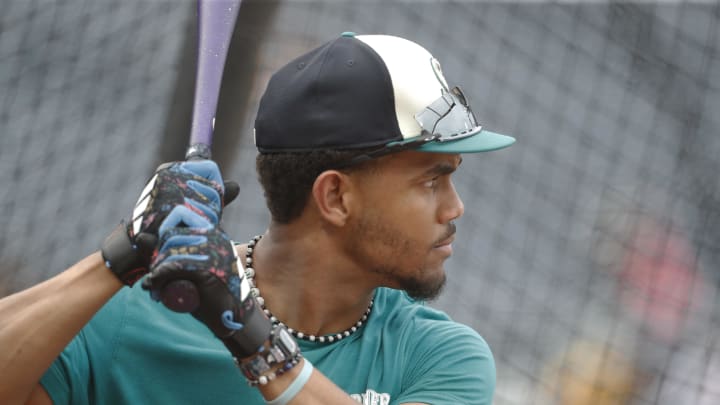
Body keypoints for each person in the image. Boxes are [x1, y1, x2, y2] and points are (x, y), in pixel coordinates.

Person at [0, 32, 515, 405]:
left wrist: (252, 336)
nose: (455, 208)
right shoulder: (134, 318)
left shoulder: (438, 357)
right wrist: (121, 255)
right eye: (431, 181)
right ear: (334, 196)